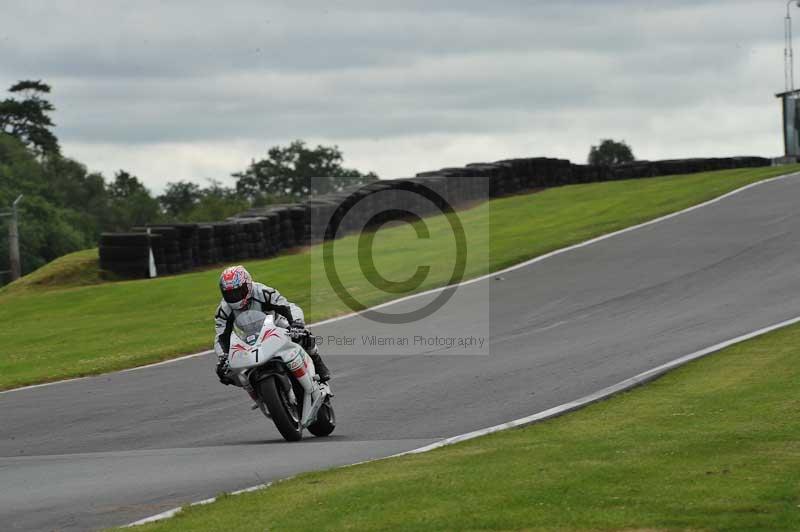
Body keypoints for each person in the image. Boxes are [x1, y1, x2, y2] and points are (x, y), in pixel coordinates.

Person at [213, 265, 331, 385]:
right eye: (230, 294)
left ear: (248, 285)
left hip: (276, 326)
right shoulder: (223, 310)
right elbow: (220, 337)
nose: (234, 297)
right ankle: (256, 392)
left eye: (237, 292)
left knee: (303, 335)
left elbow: (288, 307)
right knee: (225, 373)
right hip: (247, 339)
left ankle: (316, 361)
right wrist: (223, 357)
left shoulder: (263, 292)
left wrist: (296, 323)